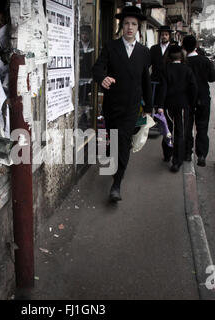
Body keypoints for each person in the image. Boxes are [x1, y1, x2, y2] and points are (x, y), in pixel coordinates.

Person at [92, 5, 152, 202]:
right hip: (112, 105)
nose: (129, 27)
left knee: (124, 143)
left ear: (138, 28)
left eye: (134, 24)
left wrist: (149, 108)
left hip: (131, 107)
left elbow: (146, 81)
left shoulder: (144, 52)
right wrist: (103, 78)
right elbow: (97, 68)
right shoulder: (111, 47)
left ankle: (117, 184)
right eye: (126, 23)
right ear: (121, 25)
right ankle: (110, 156)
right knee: (113, 139)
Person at [155, 44, 198, 172]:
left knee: (167, 130)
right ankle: (177, 162)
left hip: (168, 105)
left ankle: (167, 154)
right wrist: (192, 103)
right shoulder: (187, 69)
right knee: (180, 133)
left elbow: (162, 89)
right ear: (181, 56)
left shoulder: (165, 69)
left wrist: (160, 106)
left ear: (169, 56)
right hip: (183, 106)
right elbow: (193, 88)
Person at [182, 35, 215, 167]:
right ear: (196, 46)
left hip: (188, 99)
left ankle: (187, 153)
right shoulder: (205, 60)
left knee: (187, 126)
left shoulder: (184, 62)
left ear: (184, 46)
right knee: (202, 127)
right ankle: (201, 155)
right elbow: (212, 78)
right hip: (203, 98)